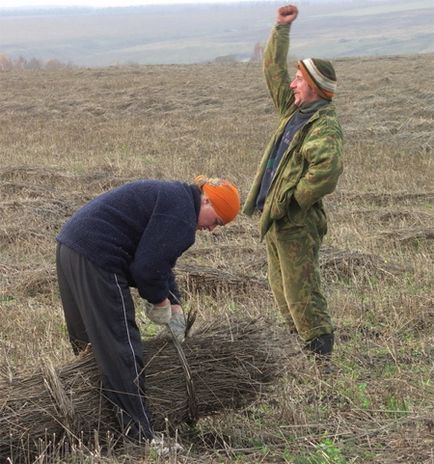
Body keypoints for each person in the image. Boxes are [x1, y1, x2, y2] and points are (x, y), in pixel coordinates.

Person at [56, 175, 240, 440]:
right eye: (217, 222)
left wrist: (175, 306)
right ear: (208, 200)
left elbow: (162, 262)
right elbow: (147, 269)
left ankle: (97, 419)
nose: (212, 230)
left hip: (70, 247)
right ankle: (140, 436)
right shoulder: (182, 217)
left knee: (89, 346)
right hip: (99, 259)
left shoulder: (175, 198)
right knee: (121, 349)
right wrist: (160, 303)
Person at [243, 4, 343, 357]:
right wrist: (280, 29)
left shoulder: (323, 125)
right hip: (277, 219)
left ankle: (321, 359)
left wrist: (294, 199)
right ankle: (302, 350)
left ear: (314, 87)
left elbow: (326, 171)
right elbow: (272, 70)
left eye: (299, 79)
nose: (292, 83)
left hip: (295, 221)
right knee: (282, 289)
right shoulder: (294, 111)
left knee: (302, 290)